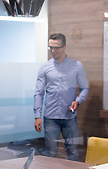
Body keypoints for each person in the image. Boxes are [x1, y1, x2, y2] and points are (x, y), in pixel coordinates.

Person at [34, 33, 89, 161]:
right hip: (50, 118)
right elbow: (39, 93)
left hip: (69, 117)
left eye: (56, 48)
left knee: (73, 152)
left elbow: (85, 88)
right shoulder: (44, 68)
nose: (53, 51)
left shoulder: (77, 66)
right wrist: (37, 116)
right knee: (51, 154)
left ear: (64, 47)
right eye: (50, 47)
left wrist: (78, 101)